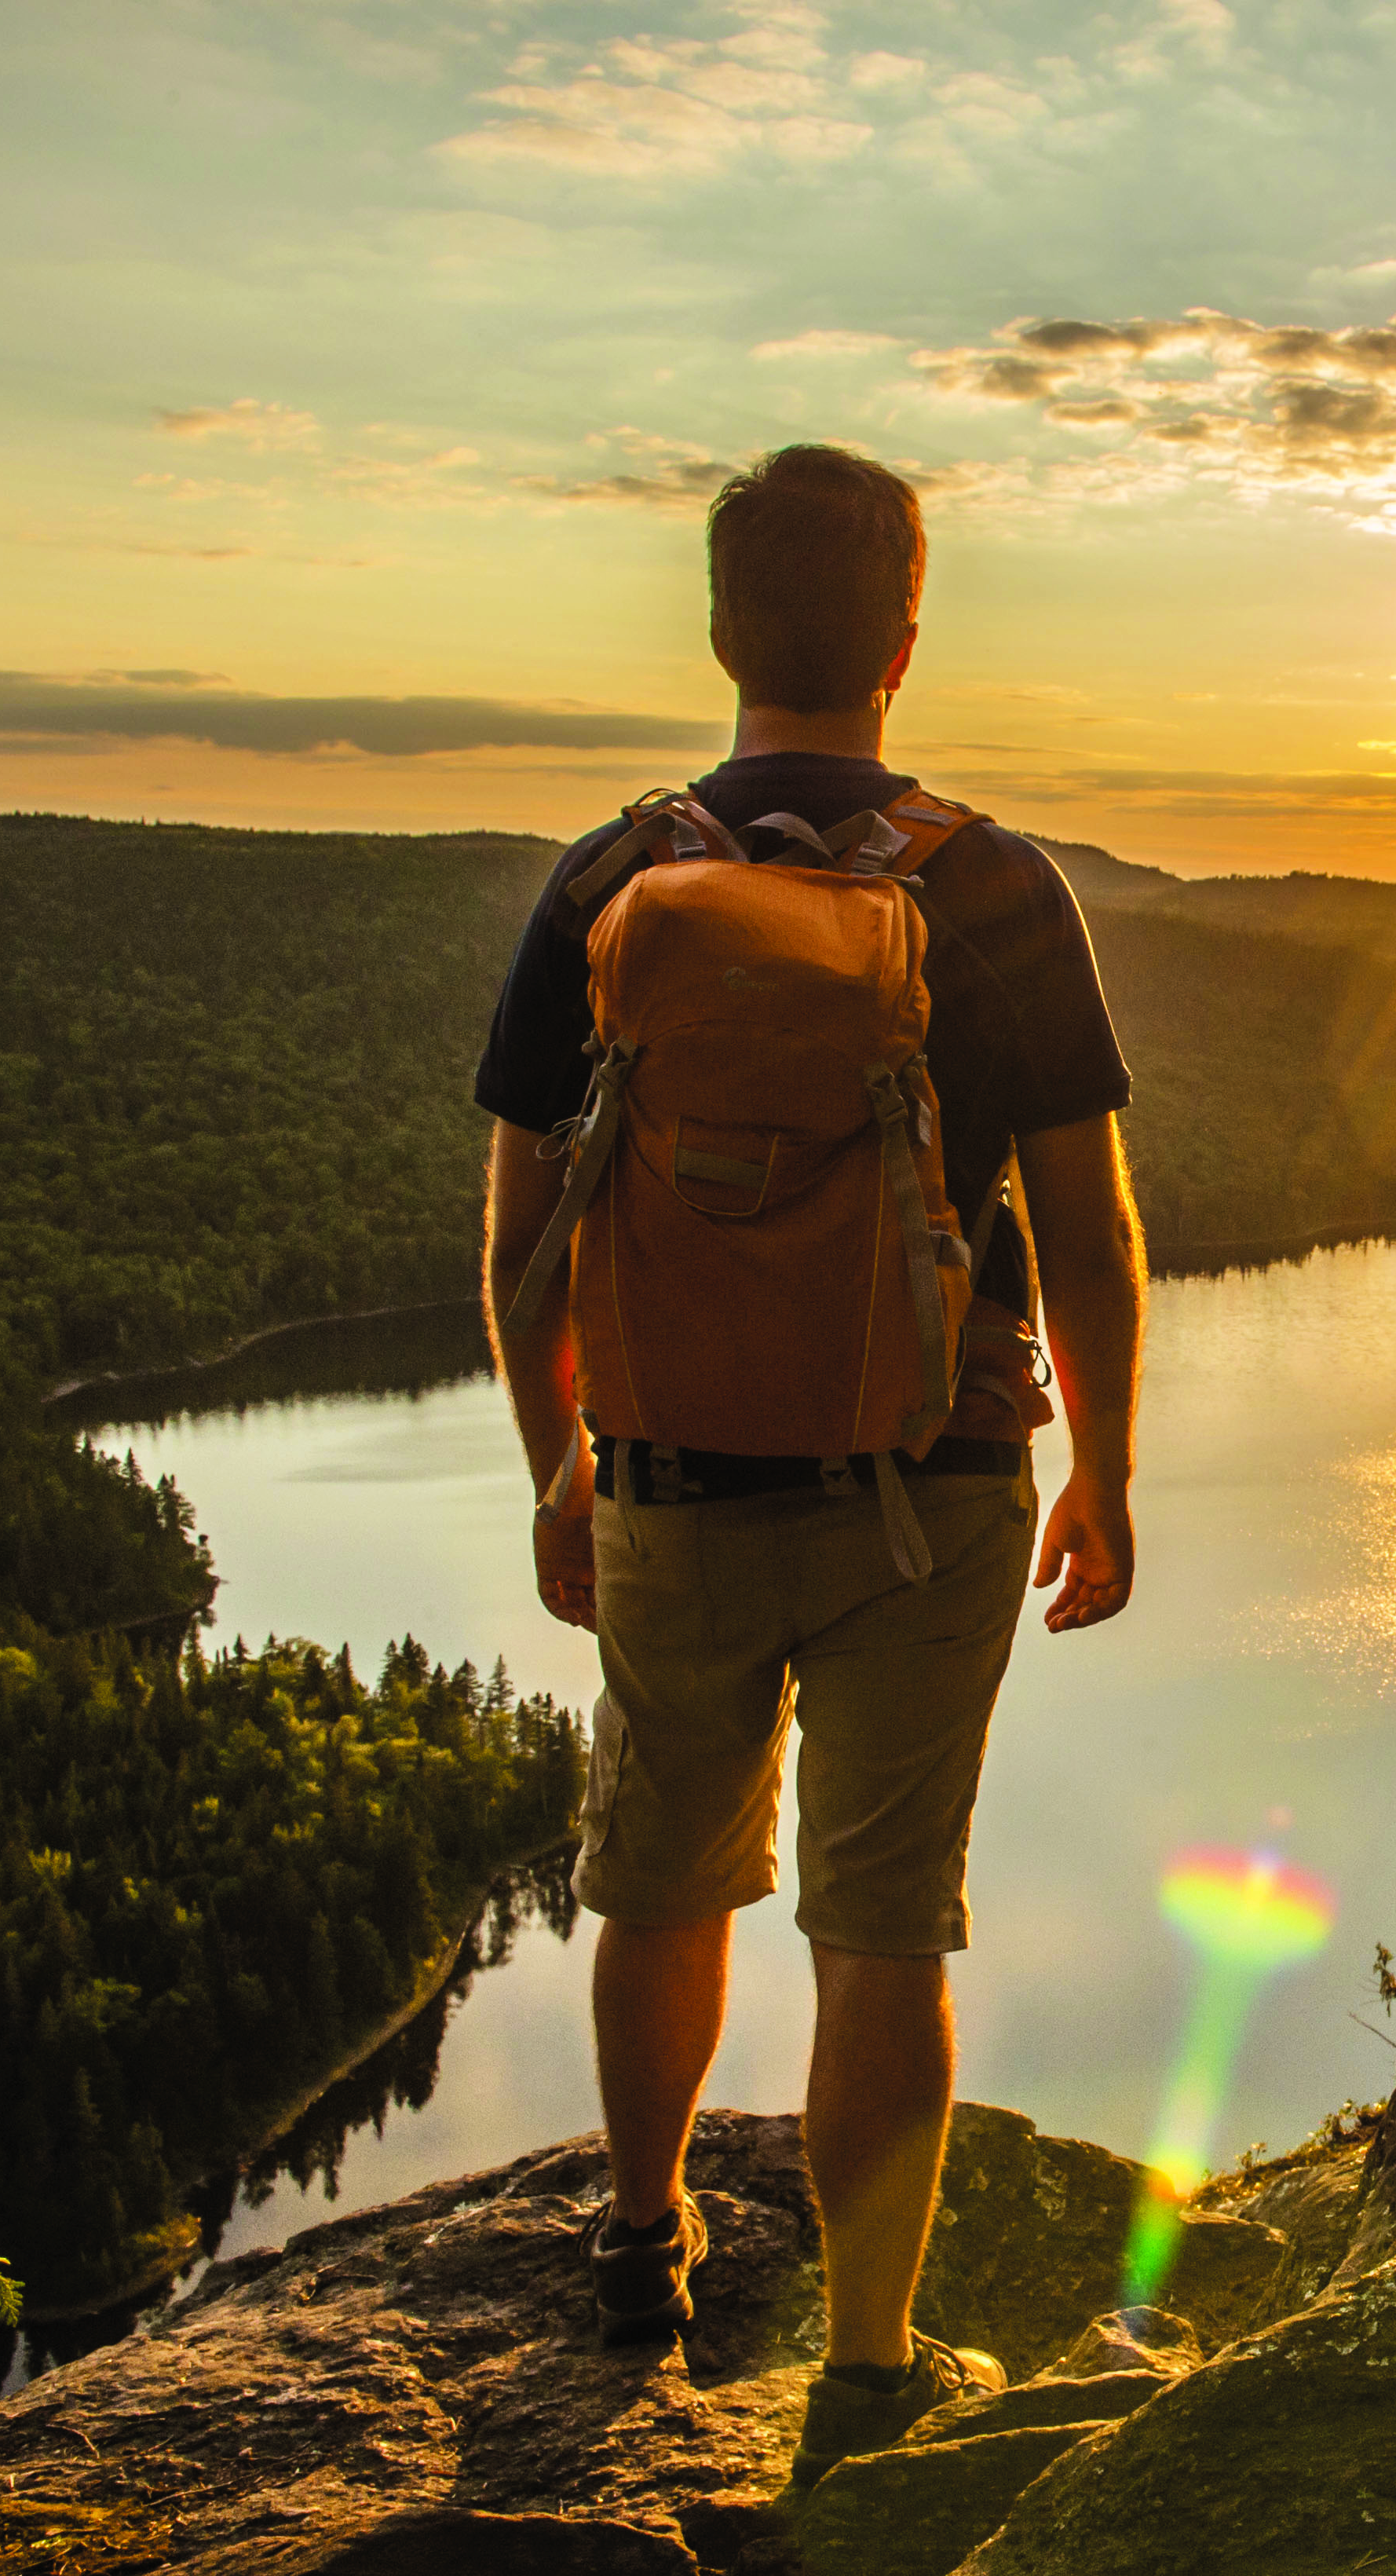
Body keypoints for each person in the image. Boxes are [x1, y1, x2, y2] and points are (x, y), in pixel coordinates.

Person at [475, 444, 1146, 2479]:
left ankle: (641, 2241)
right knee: (882, 1924)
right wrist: (1108, 1471)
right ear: (903, 640)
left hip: (670, 1477)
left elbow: (521, 1242)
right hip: (932, 1489)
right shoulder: (994, 886)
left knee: (658, 1876)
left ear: (718, 630)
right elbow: (1089, 1233)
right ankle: (868, 2364)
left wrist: (562, 1462)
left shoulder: (608, 883)